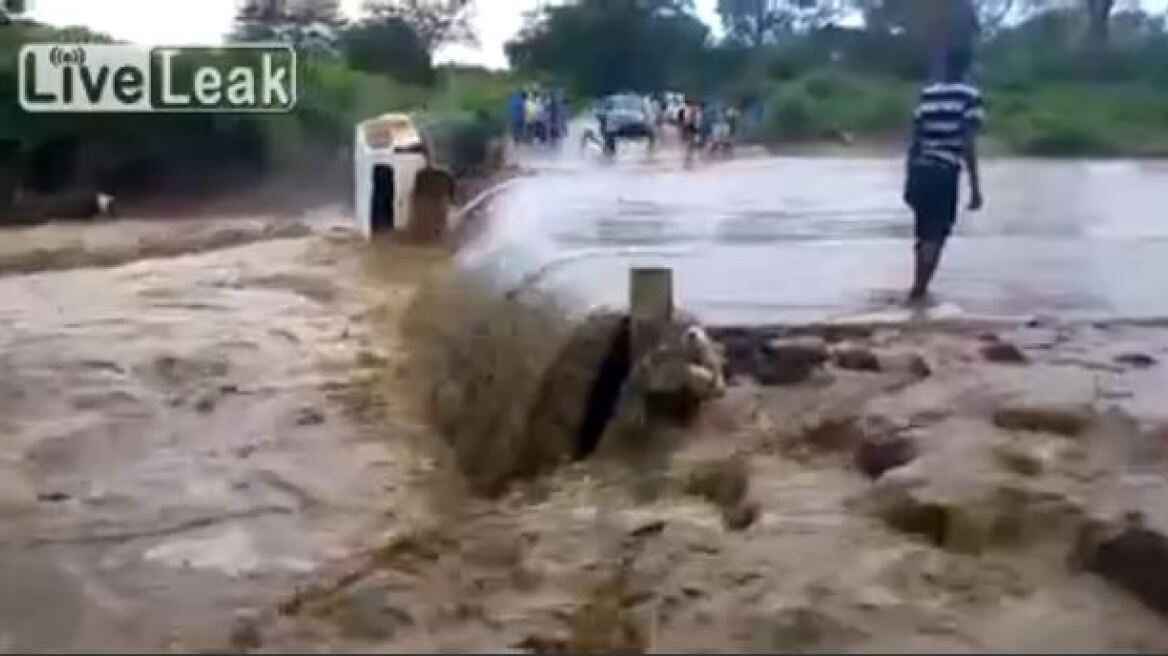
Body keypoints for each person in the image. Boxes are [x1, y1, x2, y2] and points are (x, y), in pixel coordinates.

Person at [903, 48, 985, 304]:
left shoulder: (927, 95)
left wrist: (908, 177)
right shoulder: (969, 96)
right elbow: (968, 142)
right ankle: (919, 290)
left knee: (922, 233)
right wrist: (975, 187)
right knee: (936, 234)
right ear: (967, 68)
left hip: (920, 169)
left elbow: (914, 140)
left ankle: (918, 287)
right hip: (944, 172)